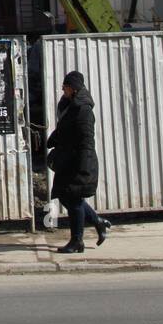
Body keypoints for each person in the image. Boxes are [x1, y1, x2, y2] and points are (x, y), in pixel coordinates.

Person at [46, 69, 111, 254]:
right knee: (68, 196)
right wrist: (53, 139)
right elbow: (65, 128)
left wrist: (84, 168)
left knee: (72, 200)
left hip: (79, 161)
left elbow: (86, 141)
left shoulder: (83, 110)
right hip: (67, 159)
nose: (62, 90)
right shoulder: (68, 104)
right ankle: (97, 222)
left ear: (73, 88)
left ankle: (77, 242)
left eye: (64, 87)